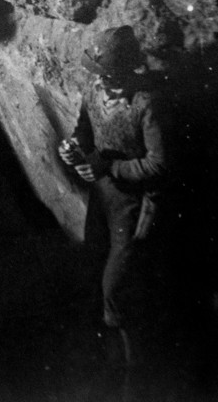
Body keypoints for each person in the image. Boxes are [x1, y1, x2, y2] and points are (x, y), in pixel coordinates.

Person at [59, 25, 172, 371]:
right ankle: (104, 357)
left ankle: (135, 369)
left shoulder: (144, 104)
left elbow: (159, 164)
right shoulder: (93, 92)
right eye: (100, 74)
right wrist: (74, 147)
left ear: (125, 70)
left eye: (108, 75)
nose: (102, 81)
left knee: (115, 288)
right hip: (103, 198)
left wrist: (110, 167)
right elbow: (83, 131)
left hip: (133, 204)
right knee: (91, 267)